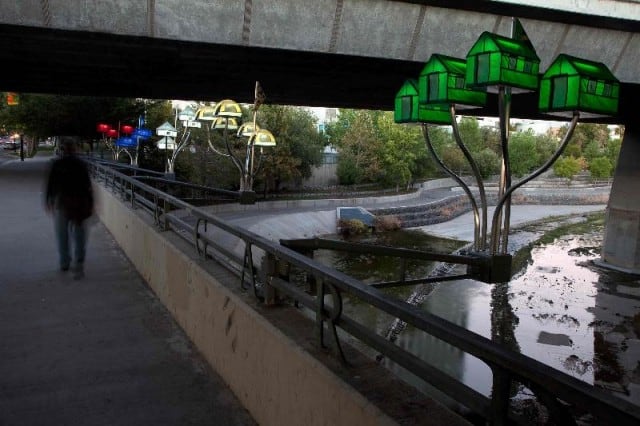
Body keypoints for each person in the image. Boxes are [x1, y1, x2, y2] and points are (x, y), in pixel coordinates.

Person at [45, 136, 94, 279]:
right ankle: (79, 259)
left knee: (62, 234)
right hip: (79, 203)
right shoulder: (81, 164)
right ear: (75, 149)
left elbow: (51, 184)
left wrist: (49, 200)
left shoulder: (57, 164)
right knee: (79, 234)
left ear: (62, 149)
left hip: (63, 203)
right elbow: (87, 186)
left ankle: (65, 261)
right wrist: (91, 203)